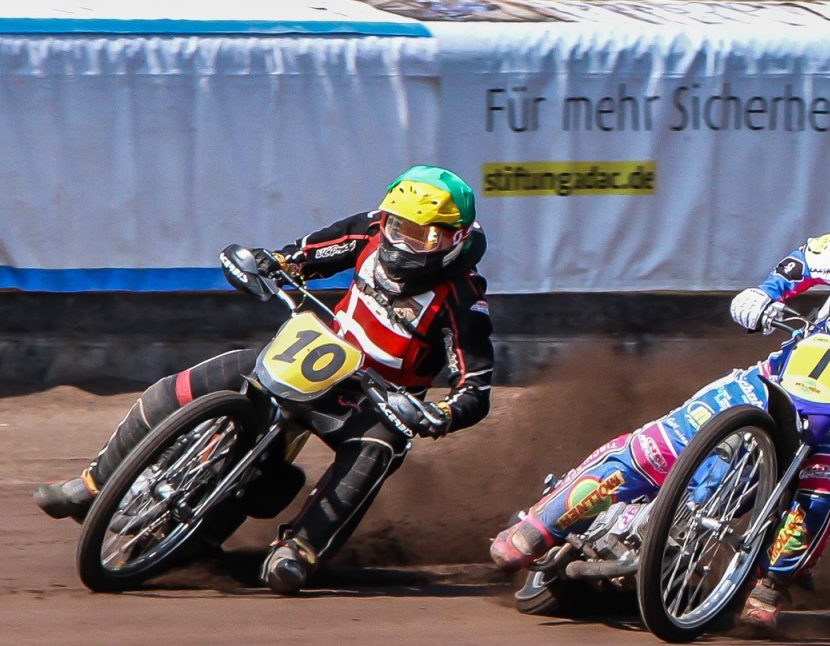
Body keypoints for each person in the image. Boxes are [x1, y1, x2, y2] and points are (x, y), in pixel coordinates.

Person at [490, 192, 830, 631]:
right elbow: (800, 264)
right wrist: (762, 295)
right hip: (774, 380)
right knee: (660, 443)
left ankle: (770, 585)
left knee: (826, 493)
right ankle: (544, 523)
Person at [32, 166, 494, 593]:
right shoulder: (369, 230)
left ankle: (299, 550)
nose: (400, 242)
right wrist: (268, 263)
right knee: (177, 388)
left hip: (377, 399)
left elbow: (475, 389)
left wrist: (442, 413)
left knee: (378, 448)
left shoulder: (463, 301)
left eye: (421, 236)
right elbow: (300, 256)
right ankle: (92, 485)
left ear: (454, 239)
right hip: (318, 352)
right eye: (398, 227)